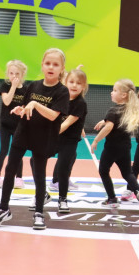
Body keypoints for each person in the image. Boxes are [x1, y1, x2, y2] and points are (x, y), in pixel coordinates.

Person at [0, 48, 70, 231]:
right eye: (48, 63)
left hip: (43, 138)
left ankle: (39, 212)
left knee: (39, 176)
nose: (51, 67)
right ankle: (3, 209)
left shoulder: (62, 91)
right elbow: (26, 105)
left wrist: (35, 104)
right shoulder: (34, 85)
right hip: (23, 132)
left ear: (62, 68)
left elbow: (53, 116)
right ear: (42, 65)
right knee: (10, 170)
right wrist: (21, 110)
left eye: (55, 64)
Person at [90, 79, 139, 211]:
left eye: (115, 90)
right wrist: (104, 120)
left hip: (111, 147)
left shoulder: (113, 110)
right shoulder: (130, 109)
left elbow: (109, 127)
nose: (111, 93)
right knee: (127, 173)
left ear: (123, 95)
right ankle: (138, 191)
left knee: (103, 170)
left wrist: (96, 140)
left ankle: (112, 198)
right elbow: (116, 121)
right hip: (125, 147)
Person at [51, 67, 89, 213]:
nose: (74, 85)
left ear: (83, 86)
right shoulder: (60, 97)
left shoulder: (80, 103)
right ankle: (41, 195)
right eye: (71, 81)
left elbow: (66, 124)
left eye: (78, 83)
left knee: (63, 168)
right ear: (65, 82)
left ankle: (62, 199)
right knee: (34, 160)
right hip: (56, 137)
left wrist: (49, 134)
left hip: (69, 140)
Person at [0, 60, 27, 188]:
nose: (14, 76)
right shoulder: (5, 86)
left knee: (18, 152)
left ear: (22, 74)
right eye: (11, 73)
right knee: (3, 150)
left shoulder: (26, 90)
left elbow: (26, 106)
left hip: (19, 126)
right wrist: (13, 86)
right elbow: (7, 101)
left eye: (17, 73)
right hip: (6, 125)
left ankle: (19, 178)